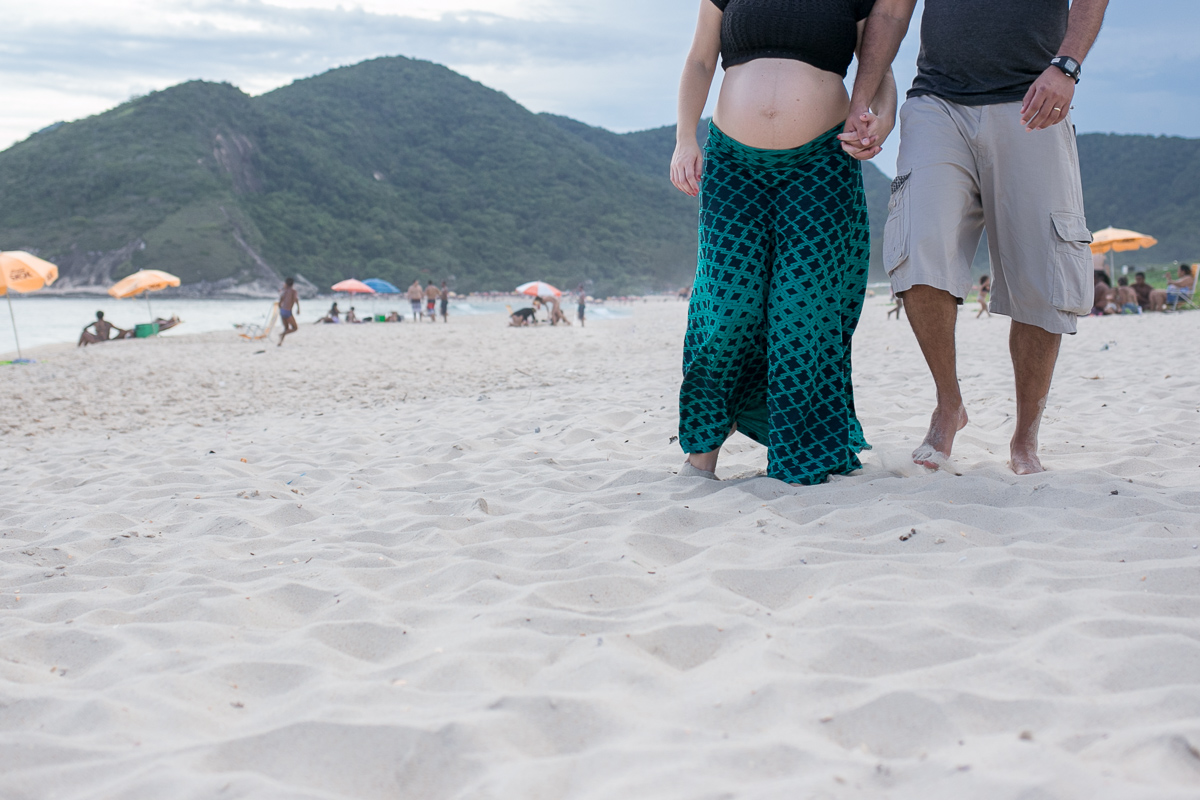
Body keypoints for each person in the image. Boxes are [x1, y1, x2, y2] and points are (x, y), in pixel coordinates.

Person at [844, 0, 1108, 475]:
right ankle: (949, 405)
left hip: (1034, 99)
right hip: (937, 102)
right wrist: (860, 99)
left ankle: (1025, 437)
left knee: (1042, 279)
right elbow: (889, 13)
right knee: (918, 249)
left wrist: (1066, 67)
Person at [671, 0, 894, 484]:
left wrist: (884, 119)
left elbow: (881, 69)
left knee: (802, 312)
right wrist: (685, 138)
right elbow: (700, 61)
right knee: (726, 308)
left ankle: (799, 458)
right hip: (732, 163)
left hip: (821, 163)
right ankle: (702, 453)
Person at [278, 277, 300, 346]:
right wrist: (298, 308)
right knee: (295, 328)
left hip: (282, 311)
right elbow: (295, 300)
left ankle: (280, 342)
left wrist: (281, 310)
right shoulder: (293, 292)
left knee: (286, 328)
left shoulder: (284, 291)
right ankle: (282, 334)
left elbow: (280, 303)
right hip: (288, 311)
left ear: (286, 284)